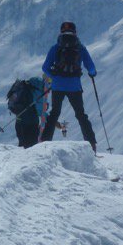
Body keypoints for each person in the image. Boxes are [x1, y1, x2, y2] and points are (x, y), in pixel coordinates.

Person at [40, 21, 97, 153]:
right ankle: (91, 144)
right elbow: (91, 67)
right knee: (81, 115)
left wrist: (54, 77)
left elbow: (45, 67)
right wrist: (92, 73)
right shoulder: (80, 48)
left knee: (54, 114)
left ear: (61, 32)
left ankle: (44, 142)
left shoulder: (55, 48)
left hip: (58, 86)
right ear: (75, 32)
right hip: (74, 86)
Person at [8, 76, 65, 149]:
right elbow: (40, 111)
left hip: (19, 121)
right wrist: (54, 122)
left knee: (21, 147)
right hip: (30, 124)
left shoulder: (32, 82)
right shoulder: (40, 91)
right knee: (30, 149)